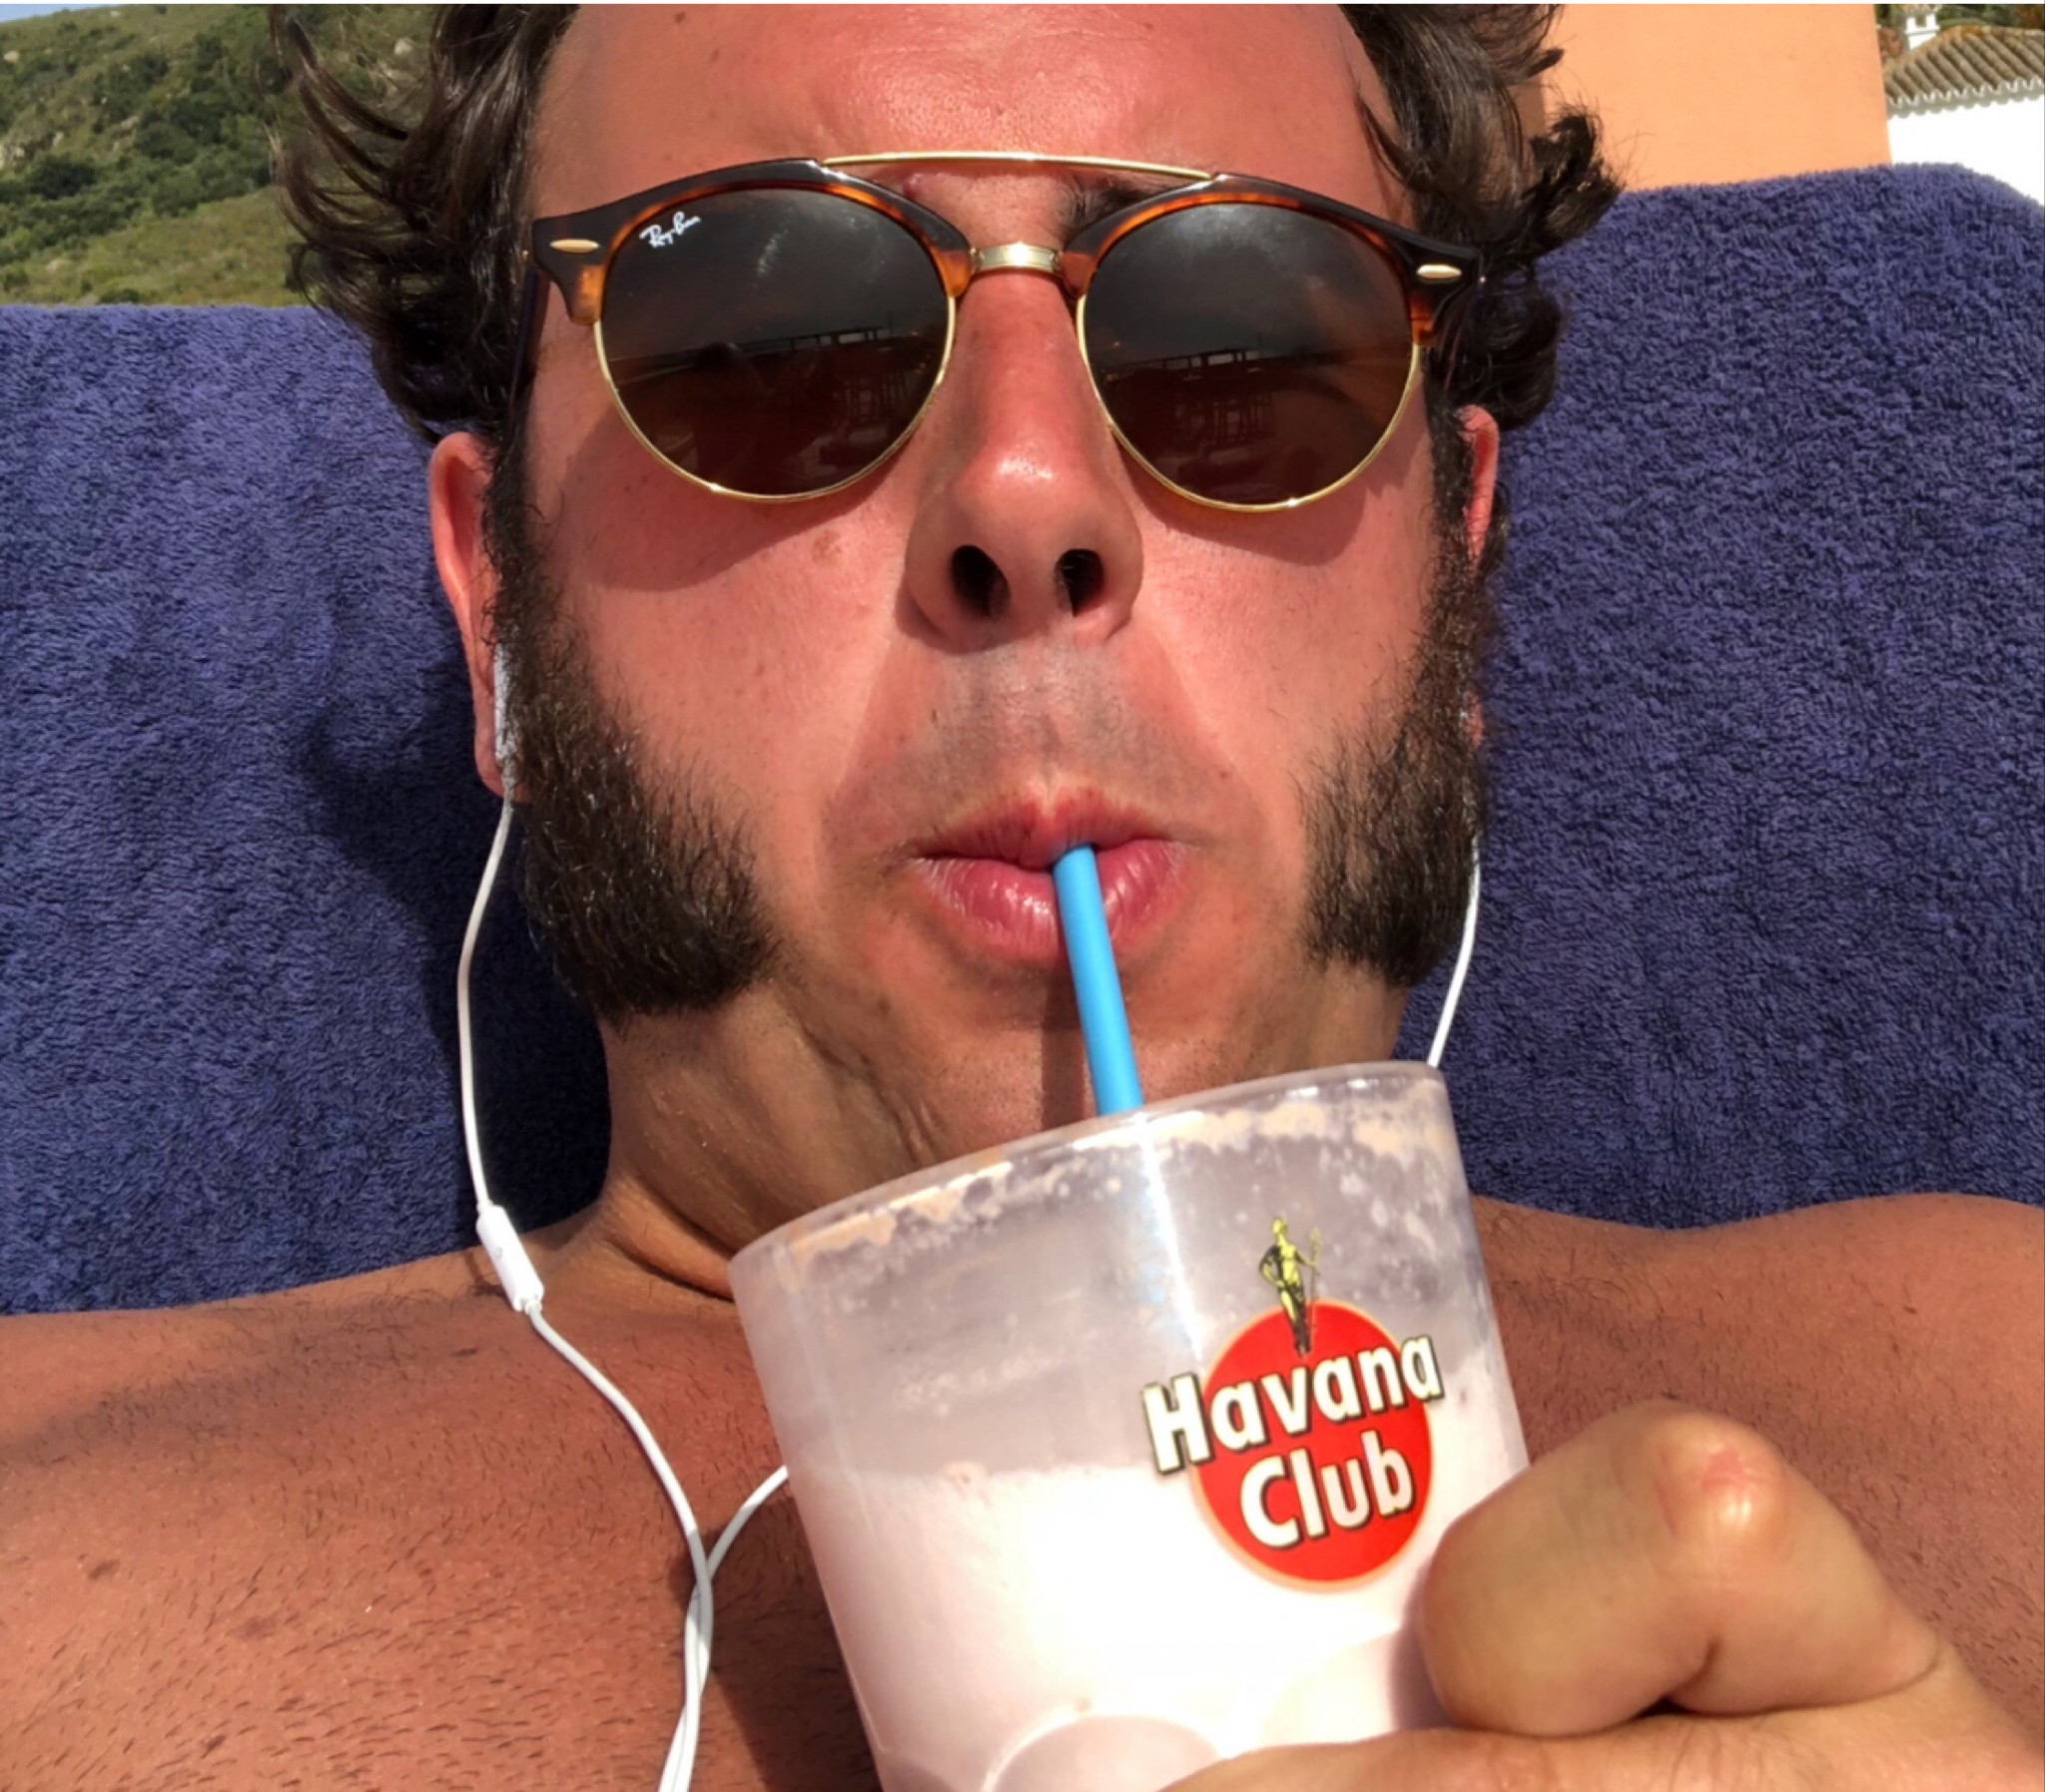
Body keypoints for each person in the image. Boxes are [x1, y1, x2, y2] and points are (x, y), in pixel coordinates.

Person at [2, 6, 2039, 1788]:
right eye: (764, 335)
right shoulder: (51, 1584)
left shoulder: (1987, 1399)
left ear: (1458, 565)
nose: (1027, 498)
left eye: (1240, 328)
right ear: (499, 617)